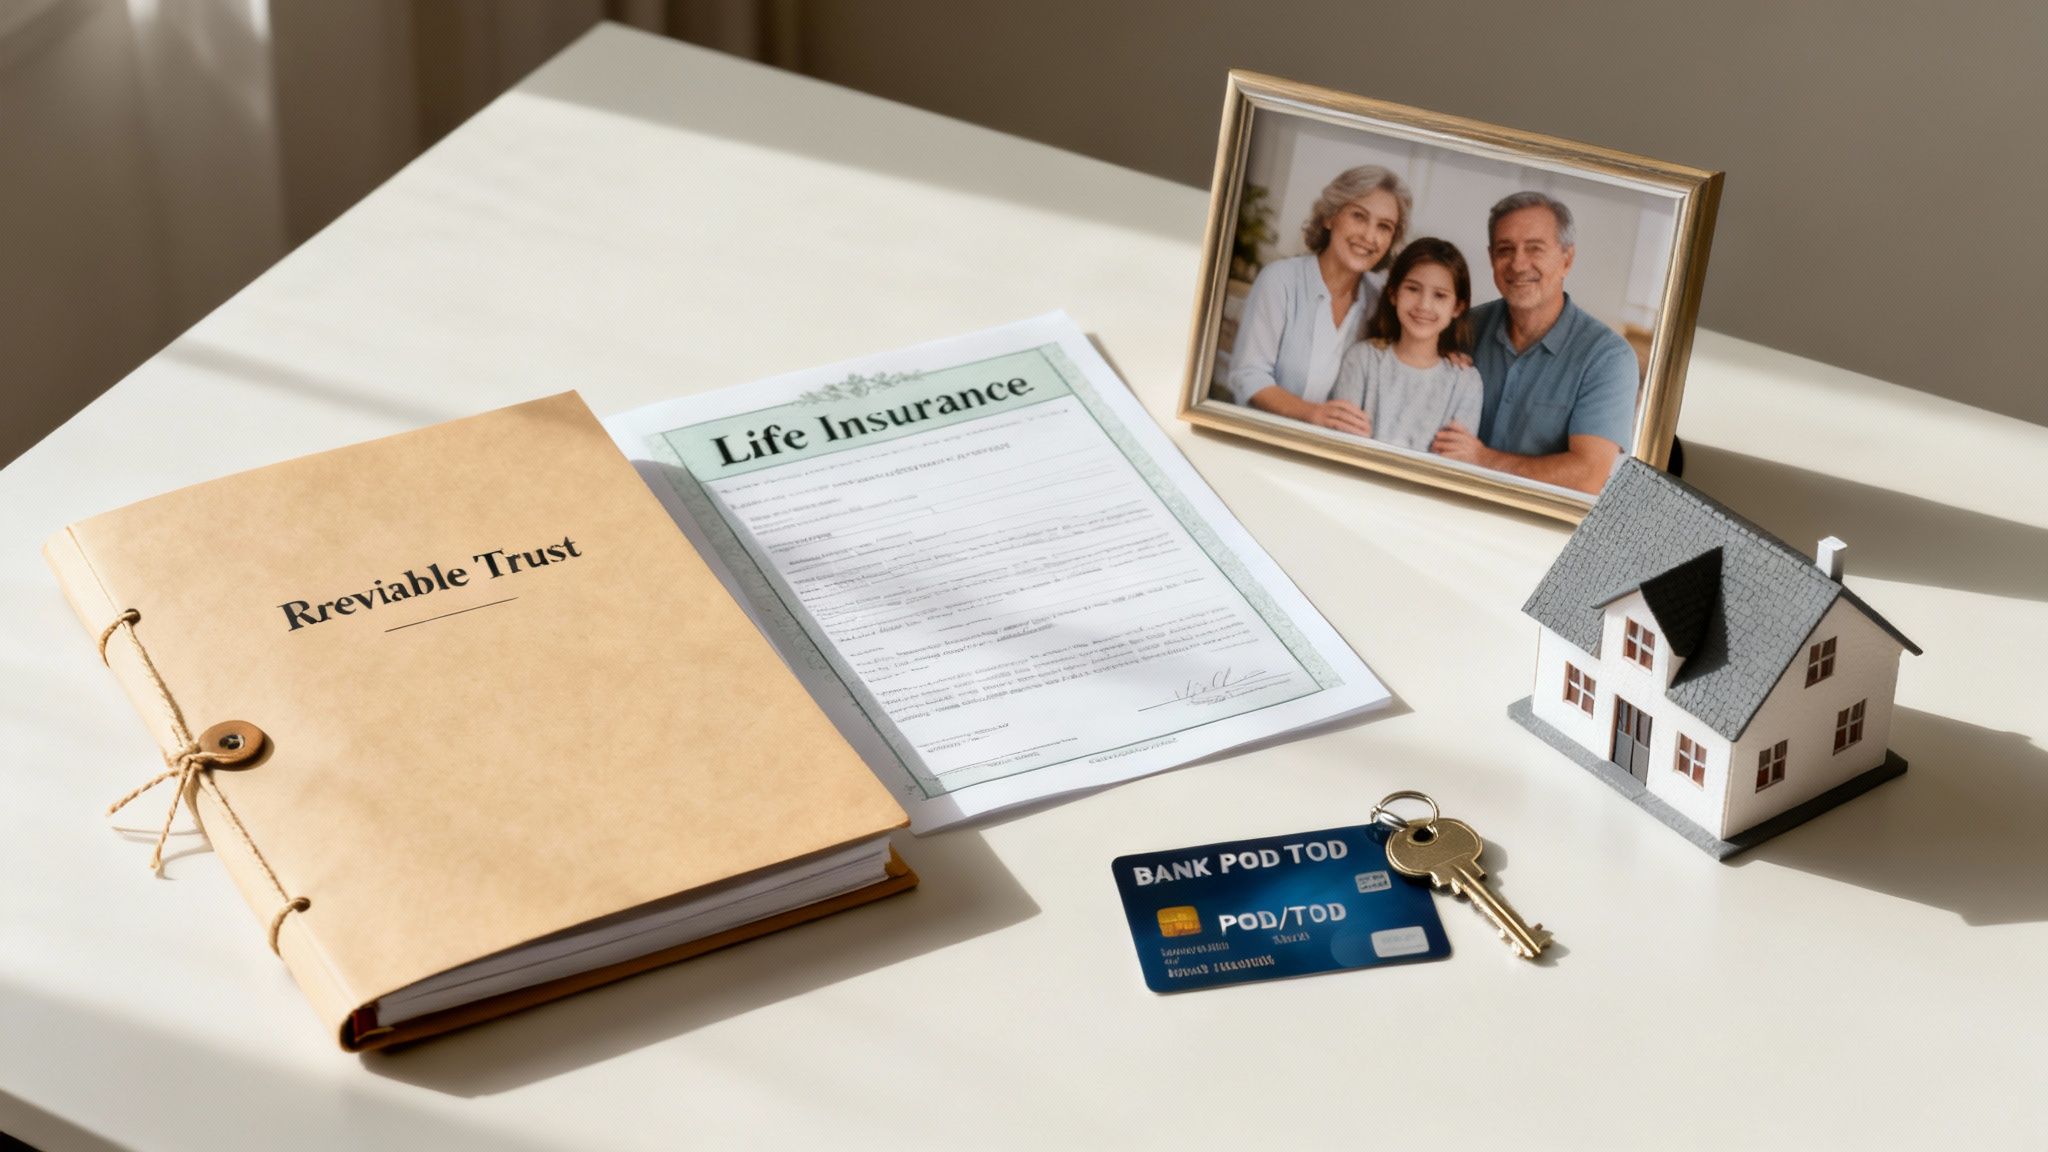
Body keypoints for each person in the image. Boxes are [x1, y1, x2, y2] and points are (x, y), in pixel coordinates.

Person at [1430, 191, 1639, 495]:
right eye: (1505, 249)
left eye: (1535, 249)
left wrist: (1482, 459)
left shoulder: (1608, 358)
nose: (1517, 264)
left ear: (1567, 260)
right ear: (1491, 258)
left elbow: (1589, 475)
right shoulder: (1463, 329)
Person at [1226, 166, 1411, 435]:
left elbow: (1417, 339)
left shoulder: (1382, 300)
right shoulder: (1280, 280)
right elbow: (1248, 375)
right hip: (1264, 440)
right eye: (1359, 216)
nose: (1370, 237)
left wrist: (1449, 353)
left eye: (1384, 227)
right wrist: (1312, 413)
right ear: (1329, 217)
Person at [1327, 238, 1483, 453]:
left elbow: (1452, 462)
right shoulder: (1363, 359)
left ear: (1457, 307)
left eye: (1439, 295)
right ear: (1393, 293)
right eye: (1412, 289)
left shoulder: (1465, 382)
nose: (1424, 305)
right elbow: (1342, 444)